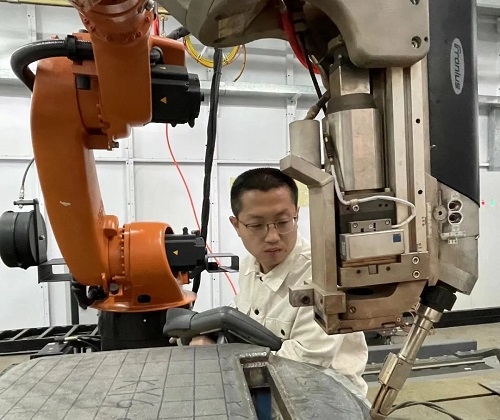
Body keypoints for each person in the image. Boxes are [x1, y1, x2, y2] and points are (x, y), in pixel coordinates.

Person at [193, 167, 369, 395]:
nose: (272, 237)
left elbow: (304, 364)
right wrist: (206, 334)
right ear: (236, 225)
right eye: (257, 225)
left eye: (283, 222)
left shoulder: (323, 275)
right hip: (272, 393)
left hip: (330, 398)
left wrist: (222, 355)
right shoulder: (250, 266)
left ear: (297, 214)